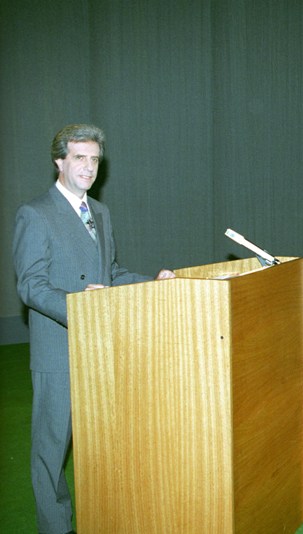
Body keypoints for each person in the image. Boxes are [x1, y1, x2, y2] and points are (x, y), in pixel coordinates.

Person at [12, 124, 175, 534]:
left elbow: (111, 272)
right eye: (80, 158)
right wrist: (78, 306)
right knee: (51, 450)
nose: (88, 168)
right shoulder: (35, 213)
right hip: (59, 350)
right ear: (59, 161)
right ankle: (56, 526)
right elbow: (31, 285)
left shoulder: (99, 212)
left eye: (95, 160)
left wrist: (152, 283)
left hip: (101, 348)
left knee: (101, 443)